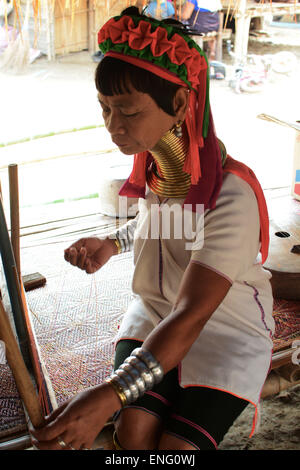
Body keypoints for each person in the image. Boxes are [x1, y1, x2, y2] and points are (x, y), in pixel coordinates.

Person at [30, 7, 274, 451]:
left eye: (127, 110)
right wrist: (113, 242)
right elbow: (157, 222)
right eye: (104, 109)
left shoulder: (230, 195)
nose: (112, 126)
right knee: (133, 433)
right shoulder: (163, 170)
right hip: (153, 315)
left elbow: (194, 313)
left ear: (179, 105)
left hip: (221, 329)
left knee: (177, 450)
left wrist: (111, 394)